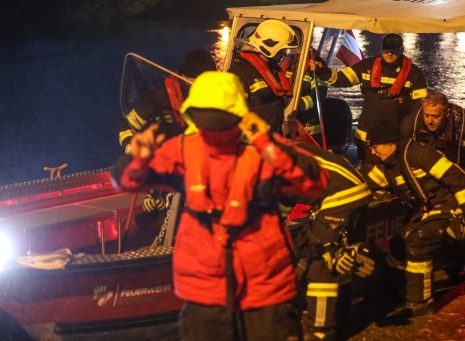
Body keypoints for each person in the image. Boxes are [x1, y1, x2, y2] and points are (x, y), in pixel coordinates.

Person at [110, 71, 329, 341]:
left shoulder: (262, 152)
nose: (213, 131)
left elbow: (312, 183)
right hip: (206, 286)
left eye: (220, 123)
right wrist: (139, 157)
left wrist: (267, 143)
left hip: (261, 286)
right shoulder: (182, 149)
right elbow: (127, 180)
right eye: (207, 122)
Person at [360, 116, 465, 317]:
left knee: (417, 240)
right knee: (398, 245)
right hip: (428, 212)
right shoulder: (389, 165)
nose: (373, 151)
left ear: (389, 143)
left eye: (375, 146)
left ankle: (419, 302)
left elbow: (457, 179)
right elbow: (366, 184)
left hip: (452, 210)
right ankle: (388, 295)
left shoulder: (419, 154)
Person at [288, 142, 374, 341]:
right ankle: (341, 322)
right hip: (350, 192)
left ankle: (321, 331)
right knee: (338, 260)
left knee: (320, 261)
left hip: (340, 195)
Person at [311, 33, 428, 163]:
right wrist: (322, 71)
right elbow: (340, 80)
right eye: (387, 49)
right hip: (366, 136)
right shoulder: (366, 66)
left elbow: (420, 106)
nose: (390, 53)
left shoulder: (414, 73)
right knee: (368, 171)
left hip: (396, 138)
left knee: (395, 173)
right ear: (381, 48)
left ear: (402, 49)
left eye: (394, 49)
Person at [117, 48, 216, 153]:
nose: (202, 88)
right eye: (196, 83)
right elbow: (126, 125)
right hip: (167, 157)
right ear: (183, 76)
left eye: (209, 83)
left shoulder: (220, 95)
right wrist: (131, 146)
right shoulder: (160, 96)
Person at [227, 19, 300, 135]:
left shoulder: (272, 70)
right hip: (253, 143)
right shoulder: (240, 72)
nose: (284, 55)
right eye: (282, 50)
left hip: (271, 138)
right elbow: (232, 115)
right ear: (270, 47)